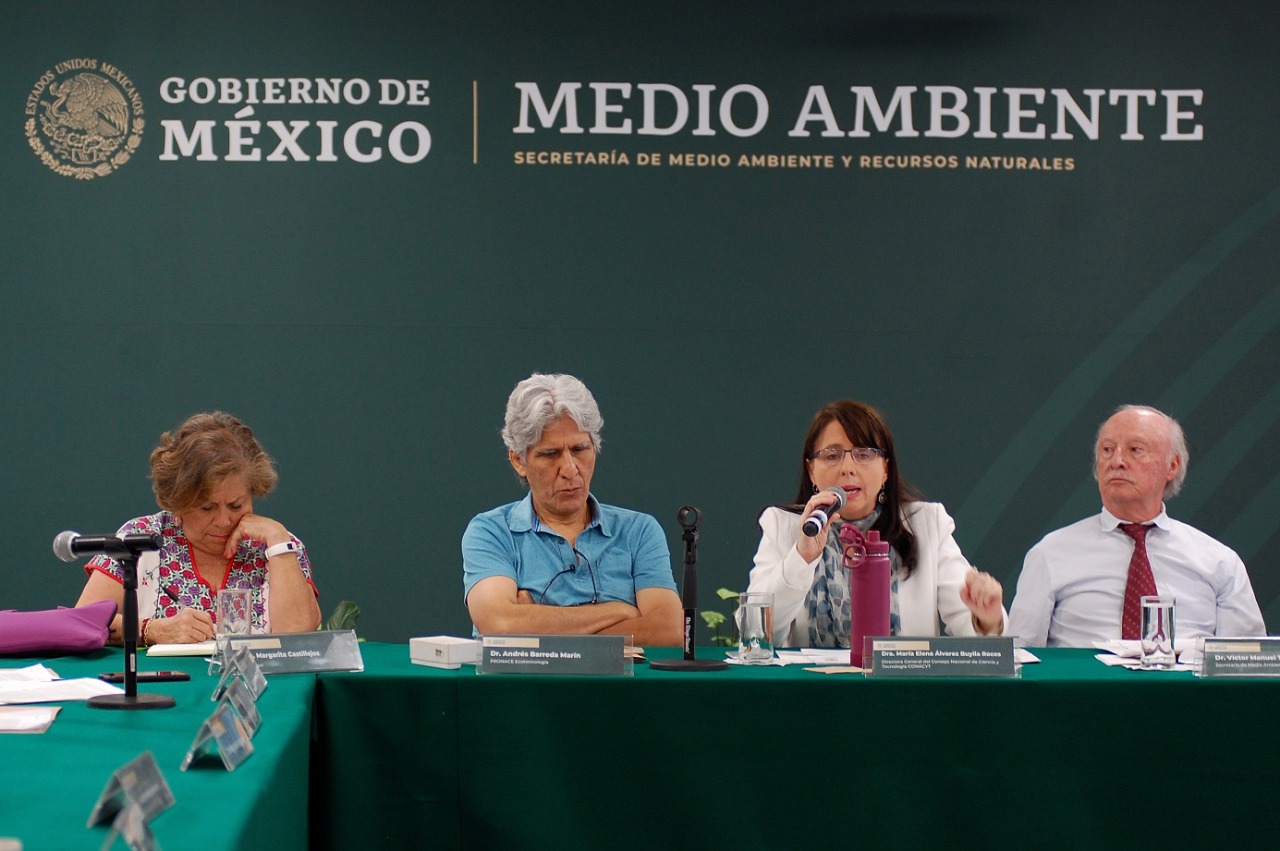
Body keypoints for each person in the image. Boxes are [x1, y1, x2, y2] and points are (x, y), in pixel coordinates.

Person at [747, 400, 1006, 648]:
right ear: (811, 470)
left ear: (885, 469)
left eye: (864, 454)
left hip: (901, 690)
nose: (847, 468)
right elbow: (755, 634)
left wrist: (985, 618)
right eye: (832, 455)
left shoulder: (926, 524)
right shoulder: (782, 526)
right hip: (812, 690)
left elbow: (976, 635)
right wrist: (801, 558)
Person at [1008, 405, 1265, 647]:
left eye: (1135, 449)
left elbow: (1246, 663)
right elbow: (1020, 658)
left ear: (1172, 466)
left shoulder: (1219, 562)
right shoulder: (1051, 554)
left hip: (1185, 693)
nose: (1116, 461)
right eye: (1107, 450)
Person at [462, 373, 682, 646]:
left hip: (621, 689)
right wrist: (619, 611)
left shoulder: (639, 531)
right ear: (518, 460)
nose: (570, 469)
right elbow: (501, 625)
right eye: (550, 454)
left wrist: (536, 625)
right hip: (525, 688)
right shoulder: (491, 532)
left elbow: (670, 630)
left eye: (580, 449)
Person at [75, 411, 321, 645]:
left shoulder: (279, 545)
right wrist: (154, 630)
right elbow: (83, 623)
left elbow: (299, 636)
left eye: (236, 505)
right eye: (207, 508)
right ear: (179, 504)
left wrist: (278, 539)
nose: (224, 520)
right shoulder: (140, 539)